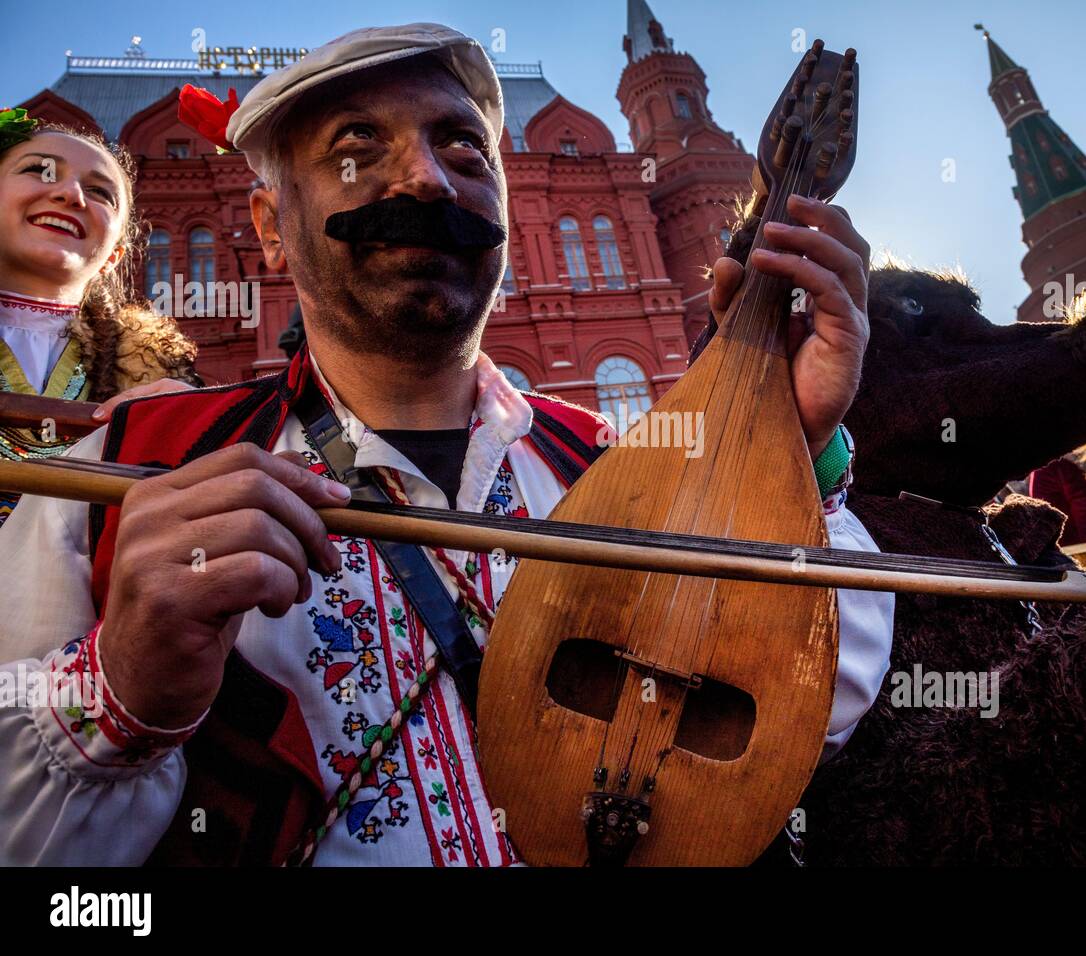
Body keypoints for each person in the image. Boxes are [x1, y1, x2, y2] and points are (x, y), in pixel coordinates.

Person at [0, 23, 893, 866]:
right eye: (357, 146)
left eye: (464, 149)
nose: (427, 179)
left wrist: (791, 444)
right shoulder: (129, 465)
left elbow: (804, 719)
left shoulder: (610, 461)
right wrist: (120, 691)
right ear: (269, 227)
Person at [0, 110, 199, 523]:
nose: (72, 194)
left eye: (100, 192)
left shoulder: (154, 375)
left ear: (113, 256)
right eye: (41, 170)